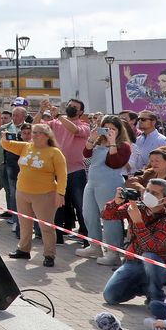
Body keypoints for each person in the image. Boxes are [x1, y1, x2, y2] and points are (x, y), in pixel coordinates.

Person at [100, 178, 166, 318]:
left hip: (158, 267)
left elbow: (150, 247)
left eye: (154, 193)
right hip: (133, 262)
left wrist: (138, 221)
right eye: (147, 190)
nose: (148, 195)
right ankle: (145, 287)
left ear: (165, 200)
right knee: (110, 296)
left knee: (149, 256)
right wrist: (115, 202)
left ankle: (156, 296)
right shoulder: (137, 207)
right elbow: (107, 215)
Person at [0, 123, 68, 267]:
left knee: (46, 227)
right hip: (22, 192)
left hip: (45, 194)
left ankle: (49, 254)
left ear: (46, 136)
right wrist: (4, 137)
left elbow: (62, 175)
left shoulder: (54, 152)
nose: (34, 135)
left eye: (38, 133)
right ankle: (24, 250)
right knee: (24, 224)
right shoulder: (26, 146)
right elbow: (7, 145)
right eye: (33, 132)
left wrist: (60, 194)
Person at [77, 116, 134, 266]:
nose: (108, 131)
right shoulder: (98, 142)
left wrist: (112, 142)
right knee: (88, 214)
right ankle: (95, 245)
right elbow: (86, 154)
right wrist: (91, 138)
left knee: (110, 217)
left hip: (110, 183)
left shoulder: (124, 145)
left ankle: (113, 251)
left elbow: (114, 163)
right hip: (92, 181)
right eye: (106, 127)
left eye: (112, 129)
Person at [47, 99, 92, 244]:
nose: (70, 108)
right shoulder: (56, 123)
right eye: (69, 106)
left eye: (74, 107)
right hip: (58, 172)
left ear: (80, 112)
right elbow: (37, 126)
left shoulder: (85, 126)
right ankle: (58, 236)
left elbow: (74, 130)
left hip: (76, 172)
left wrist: (59, 116)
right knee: (58, 206)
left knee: (81, 206)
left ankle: (86, 237)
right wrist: (42, 111)